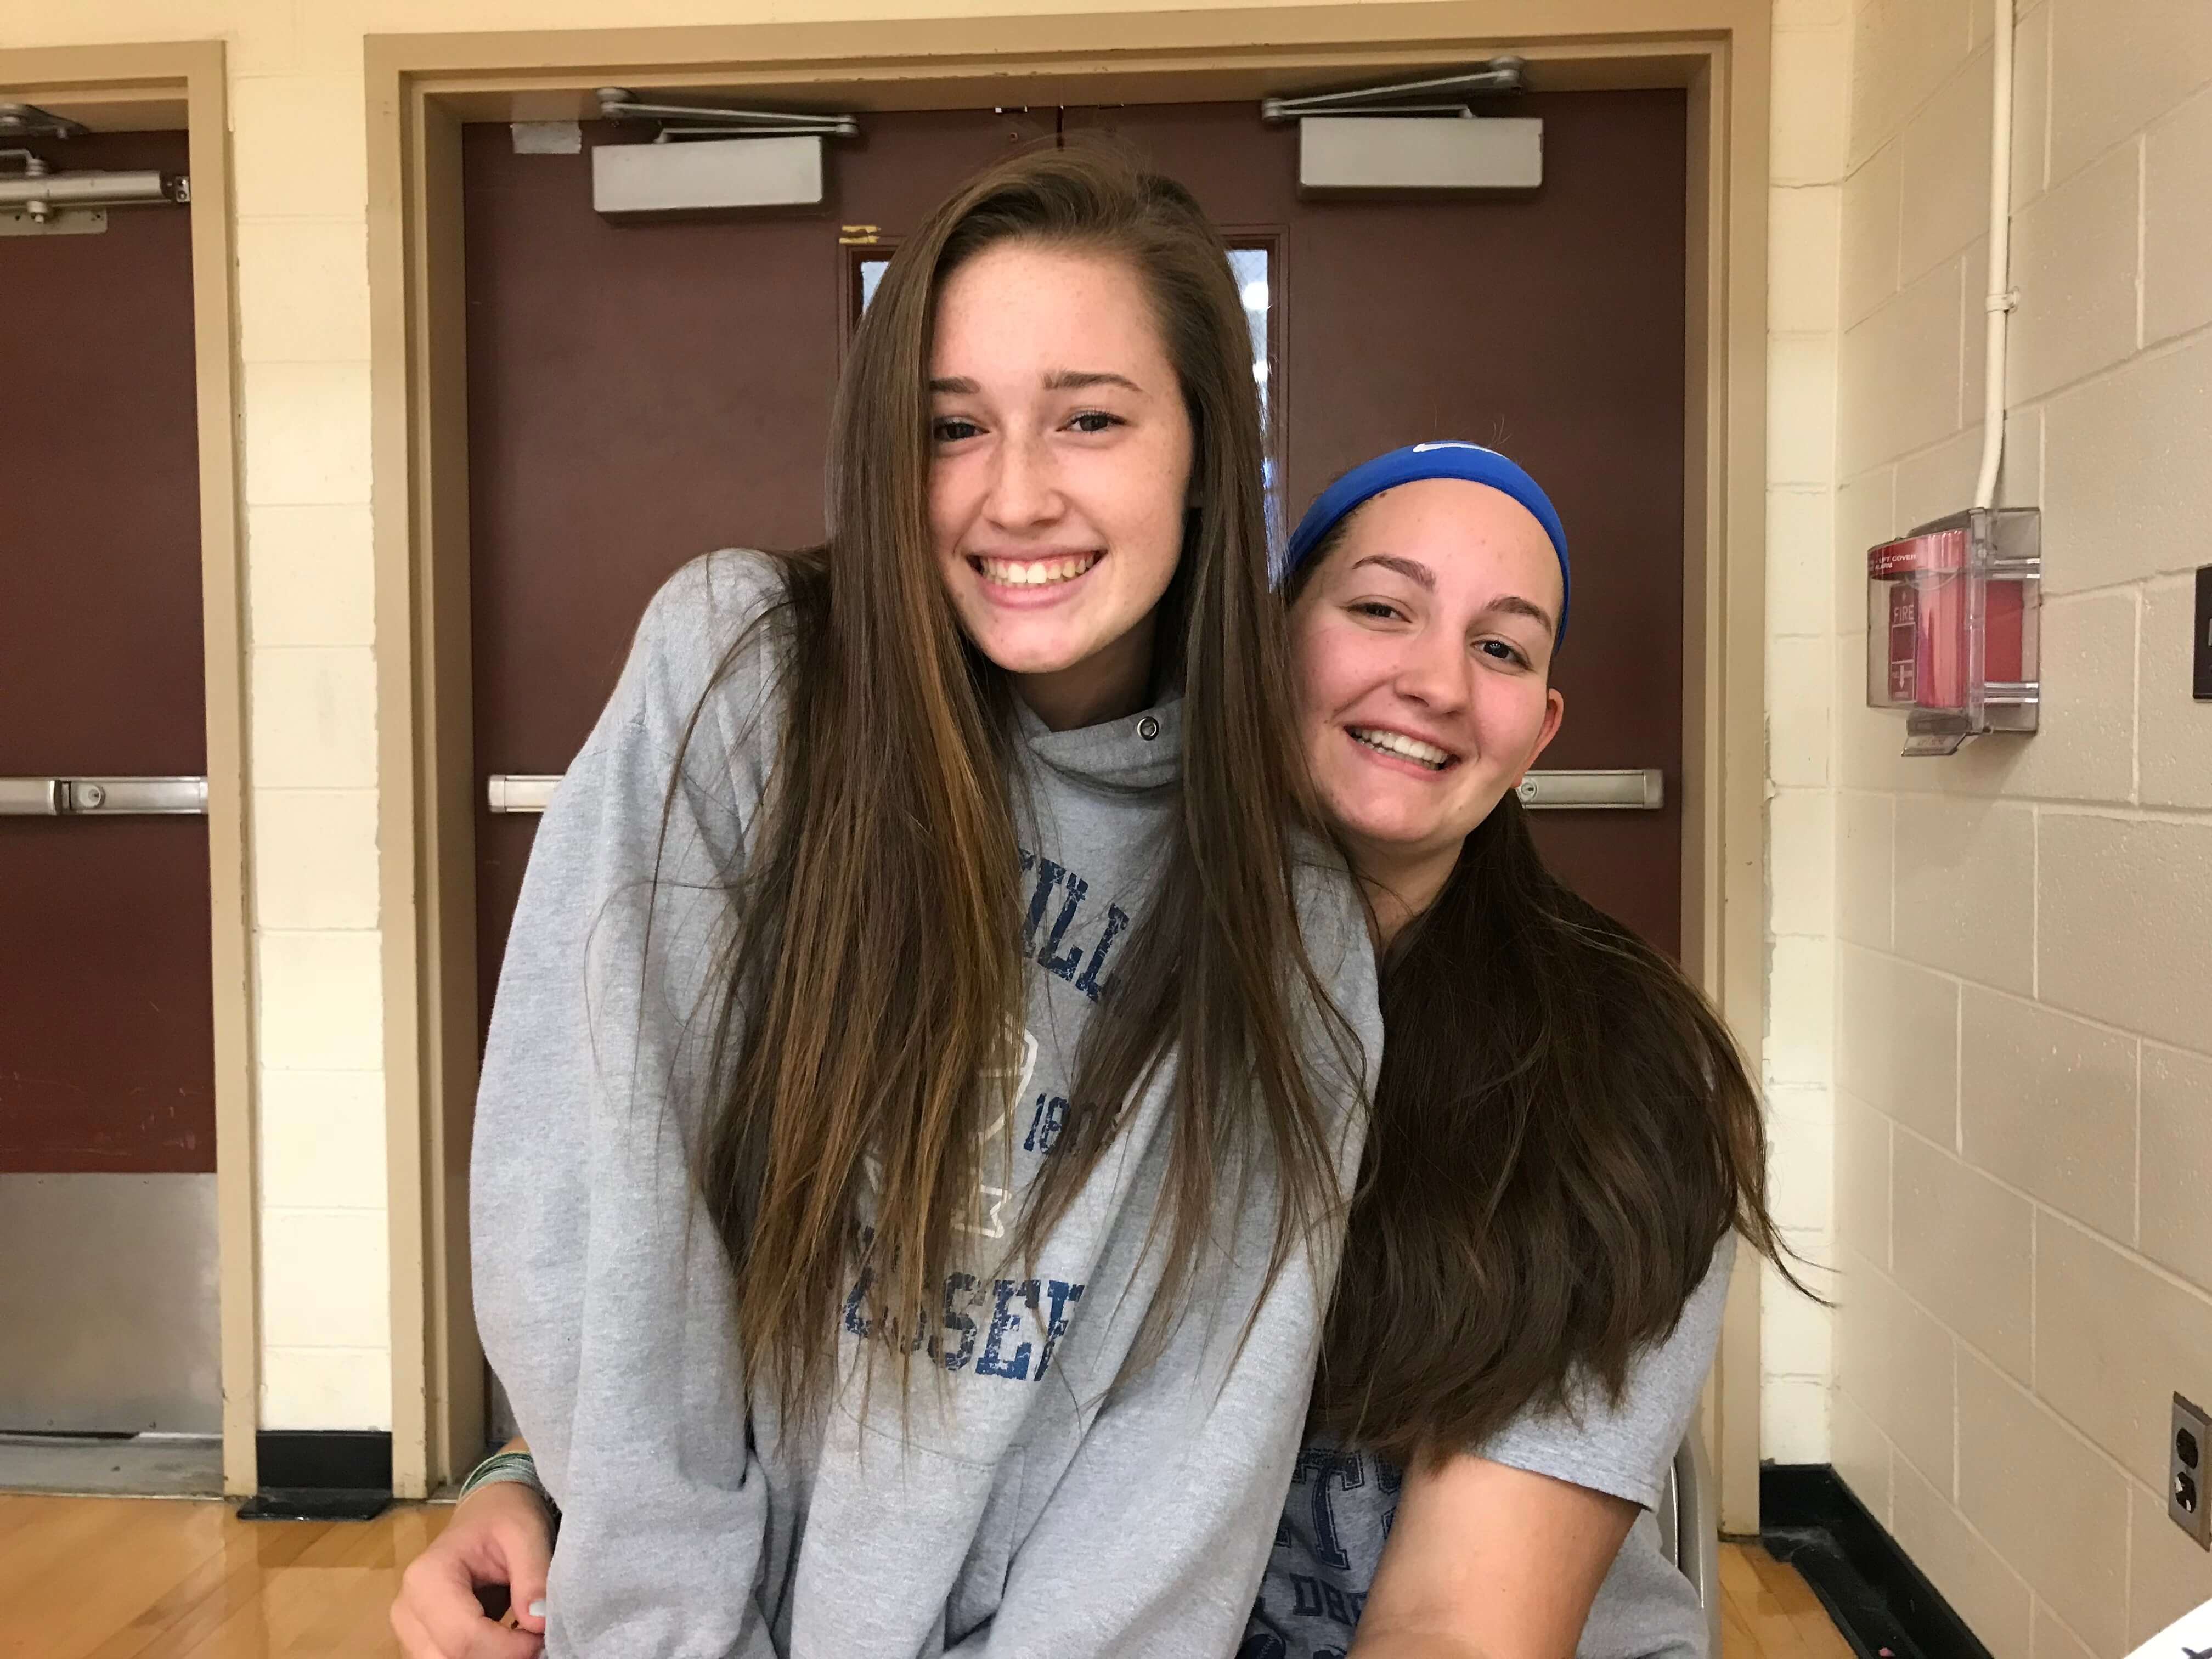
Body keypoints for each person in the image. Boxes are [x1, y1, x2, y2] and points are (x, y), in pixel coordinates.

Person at [398, 148, 1379, 1659]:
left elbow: (1191, 1454)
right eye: (952, 428)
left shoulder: (1286, 912)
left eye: (1092, 420)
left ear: (1202, 449)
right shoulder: (747, 681)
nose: (1016, 493)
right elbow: (607, 1199)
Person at [1242, 444, 1796, 1659]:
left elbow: (1459, 1632)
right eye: (1382, 609)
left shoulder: (1623, 1081)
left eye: (1501, 647)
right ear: (1271, 646)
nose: (1437, 681)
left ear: (1538, 727)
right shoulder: (1109, 991)